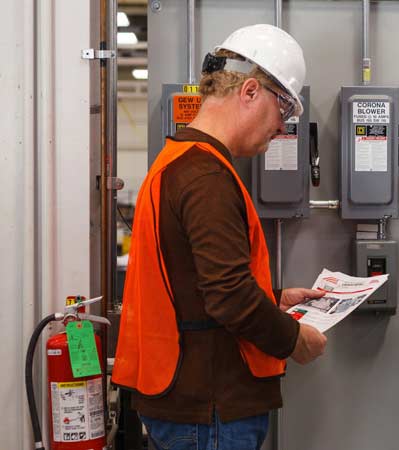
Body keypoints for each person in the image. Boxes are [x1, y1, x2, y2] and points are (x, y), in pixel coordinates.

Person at [112, 24, 327, 450]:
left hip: (189, 400)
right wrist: (293, 339)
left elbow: (195, 282)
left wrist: (273, 296)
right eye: (283, 109)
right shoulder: (207, 176)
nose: (282, 127)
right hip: (209, 407)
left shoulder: (179, 160)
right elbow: (227, 295)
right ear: (249, 92)